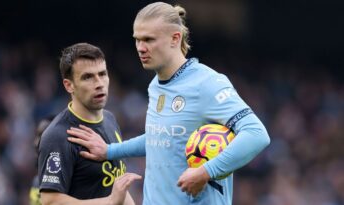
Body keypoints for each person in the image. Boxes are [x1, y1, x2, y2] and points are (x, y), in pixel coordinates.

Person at [67, 2, 270, 205]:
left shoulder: (207, 83)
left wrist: (206, 171)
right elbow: (162, 136)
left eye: (148, 39)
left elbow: (256, 134)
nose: (140, 48)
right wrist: (110, 151)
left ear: (175, 38)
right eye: (137, 40)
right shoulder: (156, 85)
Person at [38, 42, 141, 205]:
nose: (99, 83)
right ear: (69, 85)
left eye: (102, 74)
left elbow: (118, 188)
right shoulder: (58, 136)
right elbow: (51, 201)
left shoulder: (110, 120)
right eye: (88, 77)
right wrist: (109, 202)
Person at [29, 115, 55, 205]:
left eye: (42, 135)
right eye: (36, 135)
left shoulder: (73, 181)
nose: (35, 143)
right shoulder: (37, 181)